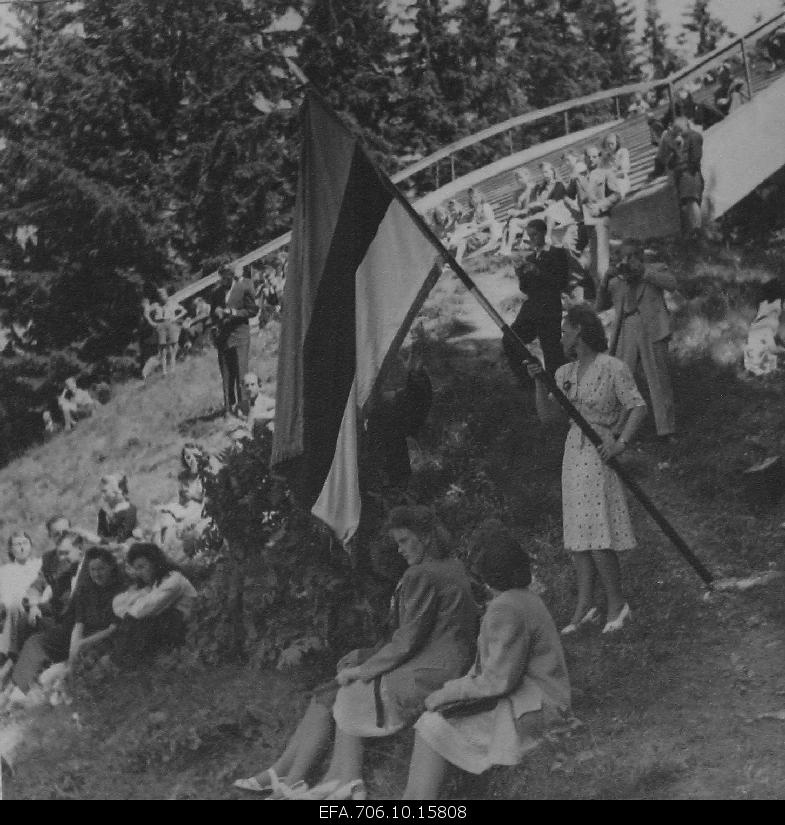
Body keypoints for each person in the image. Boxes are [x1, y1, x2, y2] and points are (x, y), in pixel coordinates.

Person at [281, 507, 478, 801]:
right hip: (455, 665)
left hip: (431, 674)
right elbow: (426, 634)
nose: (400, 550)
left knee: (349, 687)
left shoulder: (421, 574)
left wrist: (363, 669)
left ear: (424, 537)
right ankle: (335, 777)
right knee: (345, 683)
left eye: (404, 541)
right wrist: (367, 658)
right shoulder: (452, 566)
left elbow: (407, 641)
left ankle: (344, 778)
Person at [402, 521, 571, 799]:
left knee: (432, 724)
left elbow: (497, 681)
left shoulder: (506, 607)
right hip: (537, 700)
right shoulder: (524, 599)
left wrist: (444, 694)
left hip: (538, 709)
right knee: (437, 718)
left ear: (483, 575)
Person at [527, 304, 647, 635]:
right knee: (578, 536)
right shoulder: (564, 374)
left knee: (597, 533)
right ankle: (586, 607)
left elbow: (637, 406)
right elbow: (549, 419)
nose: (562, 336)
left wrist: (620, 443)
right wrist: (540, 382)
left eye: (566, 330)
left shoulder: (612, 367)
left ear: (580, 330)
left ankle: (617, 604)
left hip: (598, 455)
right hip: (573, 455)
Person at [2, 547, 125, 707]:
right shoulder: (85, 590)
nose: (97, 574)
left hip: (101, 639)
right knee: (36, 641)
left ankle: (32, 693)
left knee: (65, 667)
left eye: (101, 568)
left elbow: (113, 628)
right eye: (93, 570)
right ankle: (18, 689)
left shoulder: (120, 590)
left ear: (111, 567)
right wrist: (75, 648)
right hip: (75, 633)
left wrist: (81, 646)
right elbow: (78, 625)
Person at [599, 241, 677, 439]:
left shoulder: (655, 269)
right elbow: (600, 306)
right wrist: (605, 280)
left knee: (658, 380)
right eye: (624, 257)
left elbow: (672, 284)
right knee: (623, 378)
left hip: (652, 328)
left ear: (640, 256)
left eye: (632, 256)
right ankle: (617, 428)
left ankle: (666, 430)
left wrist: (644, 272)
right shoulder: (617, 280)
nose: (627, 261)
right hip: (627, 329)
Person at [503, 219, 570, 378]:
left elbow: (561, 283)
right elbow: (525, 289)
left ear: (544, 233)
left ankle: (559, 388)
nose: (532, 239)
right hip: (531, 308)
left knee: (552, 352)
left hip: (549, 308)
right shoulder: (531, 258)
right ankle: (527, 380)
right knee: (511, 340)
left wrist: (538, 272)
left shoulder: (557, 253)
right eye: (529, 235)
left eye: (535, 235)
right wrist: (521, 274)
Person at [111, 543, 197, 665]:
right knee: (131, 620)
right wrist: (138, 601)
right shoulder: (153, 584)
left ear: (155, 563)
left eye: (142, 567)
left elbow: (144, 610)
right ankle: (123, 660)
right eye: (136, 568)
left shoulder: (173, 580)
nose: (138, 573)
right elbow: (117, 604)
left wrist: (134, 606)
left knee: (135, 620)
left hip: (183, 627)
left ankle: (126, 661)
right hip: (164, 623)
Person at [210, 263, 259, 416]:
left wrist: (233, 312)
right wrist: (216, 314)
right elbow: (212, 313)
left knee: (240, 372)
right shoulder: (216, 292)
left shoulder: (244, 288)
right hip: (223, 338)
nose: (224, 280)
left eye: (227, 277)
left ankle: (244, 408)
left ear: (232, 276)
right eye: (222, 277)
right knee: (226, 375)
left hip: (240, 335)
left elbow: (253, 310)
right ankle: (229, 409)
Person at [573, 146, 622, 293]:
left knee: (601, 263)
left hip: (601, 220)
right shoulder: (580, 178)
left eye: (595, 157)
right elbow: (576, 199)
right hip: (587, 223)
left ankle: (607, 294)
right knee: (594, 264)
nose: (592, 160)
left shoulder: (606, 173)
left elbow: (616, 195)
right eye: (589, 157)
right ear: (584, 158)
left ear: (599, 158)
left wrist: (600, 206)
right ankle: (603, 297)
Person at [0, 532, 45, 687]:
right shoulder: (6, 570)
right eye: (17, 544)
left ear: (31, 546)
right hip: (14, 609)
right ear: (11, 549)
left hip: (36, 605)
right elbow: (5, 596)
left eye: (25, 543)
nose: (21, 547)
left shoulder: (39, 564)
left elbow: (42, 588)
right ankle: (12, 655)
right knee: (13, 605)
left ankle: (9, 654)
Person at [652, 117, 704, 235]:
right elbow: (661, 157)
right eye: (674, 128)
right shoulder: (669, 137)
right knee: (685, 203)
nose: (675, 131)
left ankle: (697, 229)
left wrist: (687, 166)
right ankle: (692, 230)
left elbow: (695, 157)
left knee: (691, 200)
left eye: (678, 129)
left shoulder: (693, 136)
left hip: (690, 172)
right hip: (679, 173)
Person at [149, 286, 186, 376]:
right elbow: (147, 314)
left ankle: (173, 369)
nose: (162, 296)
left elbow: (184, 311)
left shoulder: (172, 302)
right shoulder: (155, 305)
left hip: (170, 324)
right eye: (160, 294)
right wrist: (152, 323)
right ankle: (164, 372)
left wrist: (176, 318)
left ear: (166, 294)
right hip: (160, 326)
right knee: (163, 350)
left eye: (163, 294)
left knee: (173, 347)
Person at [499, 169, 535, 255]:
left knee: (513, 222)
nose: (519, 180)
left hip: (533, 217)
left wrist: (518, 212)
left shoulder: (534, 188)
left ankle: (508, 249)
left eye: (520, 177)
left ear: (528, 176)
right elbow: (518, 209)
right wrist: (514, 210)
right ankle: (503, 248)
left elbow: (533, 208)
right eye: (517, 178)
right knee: (506, 225)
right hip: (523, 218)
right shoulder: (516, 193)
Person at [97, 474, 138, 545]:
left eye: (105, 491)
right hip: (107, 547)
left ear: (118, 490)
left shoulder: (130, 510)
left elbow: (123, 537)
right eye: (102, 492)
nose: (102, 495)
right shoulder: (103, 511)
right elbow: (101, 534)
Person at [602, 133, 631, 199]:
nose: (610, 146)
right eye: (607, 144)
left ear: (617, 143)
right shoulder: (605, 157)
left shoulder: (622, 152)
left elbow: (624, 169)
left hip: (621, 180)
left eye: (612, 144)